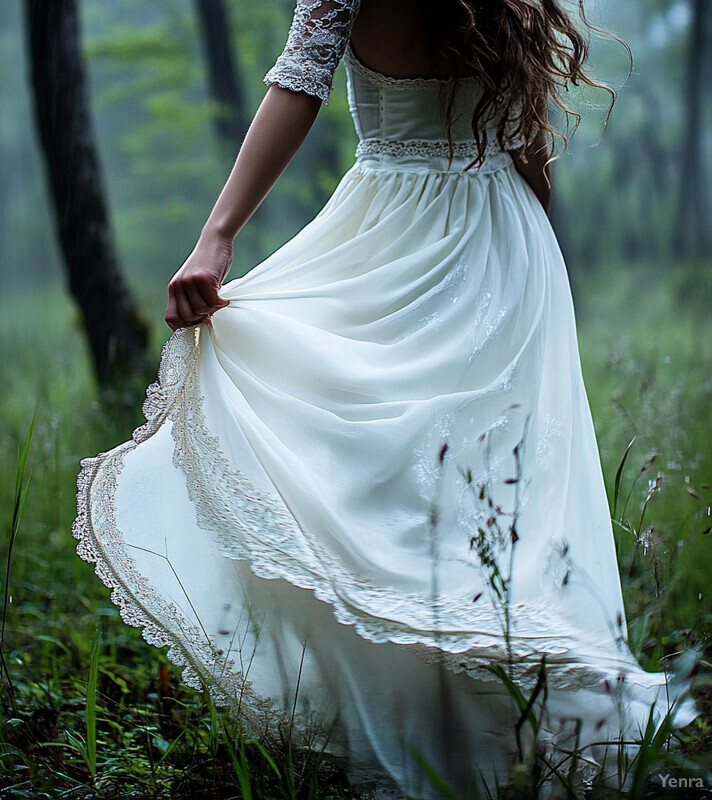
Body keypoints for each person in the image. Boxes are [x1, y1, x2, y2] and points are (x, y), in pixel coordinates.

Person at [74, 1, 698, 797]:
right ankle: (468, 717)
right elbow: (525, 136)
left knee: (393, 473)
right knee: (489, 480)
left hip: (403, 224)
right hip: (502, 231)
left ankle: (435, 729)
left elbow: (298, 84)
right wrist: (537, 251)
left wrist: (217, 235)